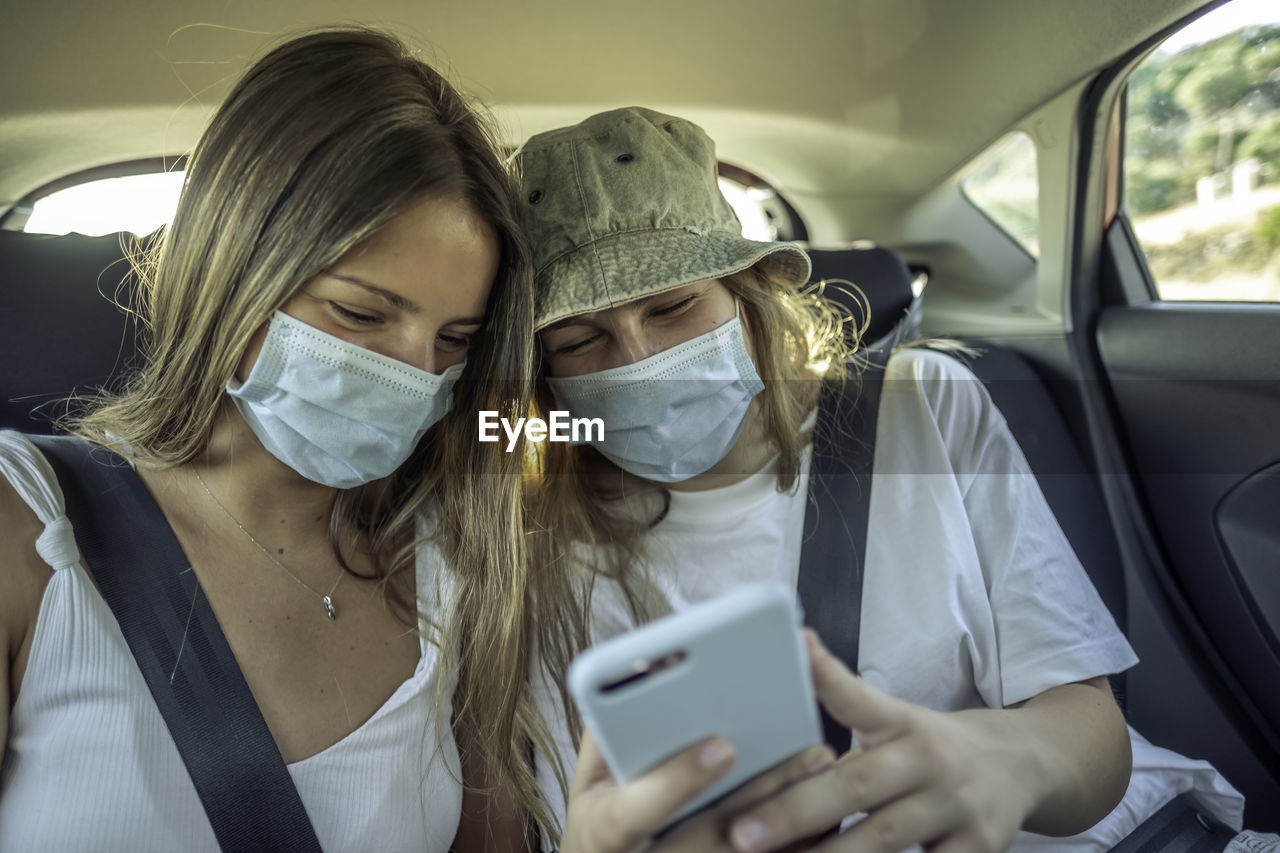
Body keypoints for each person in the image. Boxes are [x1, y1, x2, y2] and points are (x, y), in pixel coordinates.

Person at [514, 107, 1252, 852]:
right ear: (540, 373)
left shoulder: (924, 403)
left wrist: (1009, 758)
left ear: (749, 296)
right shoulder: (538, 551)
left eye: (673, 306)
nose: (637, 357)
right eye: (580, 340)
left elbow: (1093, 729)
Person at [0, 28, 549, 851]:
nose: (411, 374)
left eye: (454, 339)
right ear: (235, 273)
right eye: (361, 314)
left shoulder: (460, 565)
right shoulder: (28, 528)